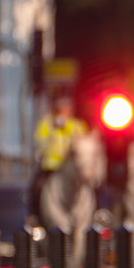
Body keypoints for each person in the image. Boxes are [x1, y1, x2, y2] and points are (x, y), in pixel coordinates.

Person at [30, 91, 87, 219]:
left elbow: (83, 145)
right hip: (52, 167)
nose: (67, 109)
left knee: (91, 188)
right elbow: (39, 141)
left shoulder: (76, 125)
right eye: (64, 107)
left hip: (72, 169)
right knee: (37, 186)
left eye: (68, 107)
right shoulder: (47, 123)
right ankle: (35, 215)